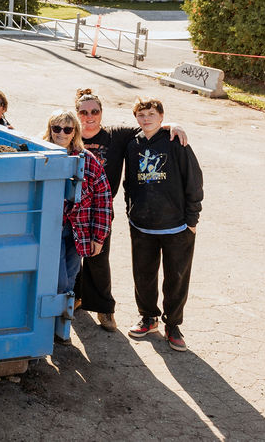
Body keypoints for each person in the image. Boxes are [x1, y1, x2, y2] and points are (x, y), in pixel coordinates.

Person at [74, 88, 188, 332]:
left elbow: (147, 127)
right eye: (83, 112)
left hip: (100, 210)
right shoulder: (69, 133)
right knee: (69, 257)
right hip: (68, 207)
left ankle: (104, 309)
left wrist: (171, 124)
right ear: (77, 114)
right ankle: (75, 297)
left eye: (94, 111)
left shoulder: (115, 135)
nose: (89, 116)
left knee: (98, 258)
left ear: (101, 113)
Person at [123, 97, 203, 353]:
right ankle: (148, 318)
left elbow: (194, 181)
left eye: (151, 114)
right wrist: (131, 212)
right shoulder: (133, 144)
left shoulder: (175, 142)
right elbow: (129, 184)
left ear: (161, 116)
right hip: (142, 226)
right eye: (141, 114)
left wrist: (192, 219)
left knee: (176, 279)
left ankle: (173, 325)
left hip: (177, 227)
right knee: (143, 276)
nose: (146, 119)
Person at [41, 110, 113, 342]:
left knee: (71, 276)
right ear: (50, 130)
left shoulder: (88, 161)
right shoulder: (41, 155)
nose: (61, 133)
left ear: (75, 133)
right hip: (49, 229)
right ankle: (52, 326)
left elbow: (103, 200)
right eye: (57, 128)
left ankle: (61, 324)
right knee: (59, 280)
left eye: (67, 129)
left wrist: (99, 237)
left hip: (77, 230)